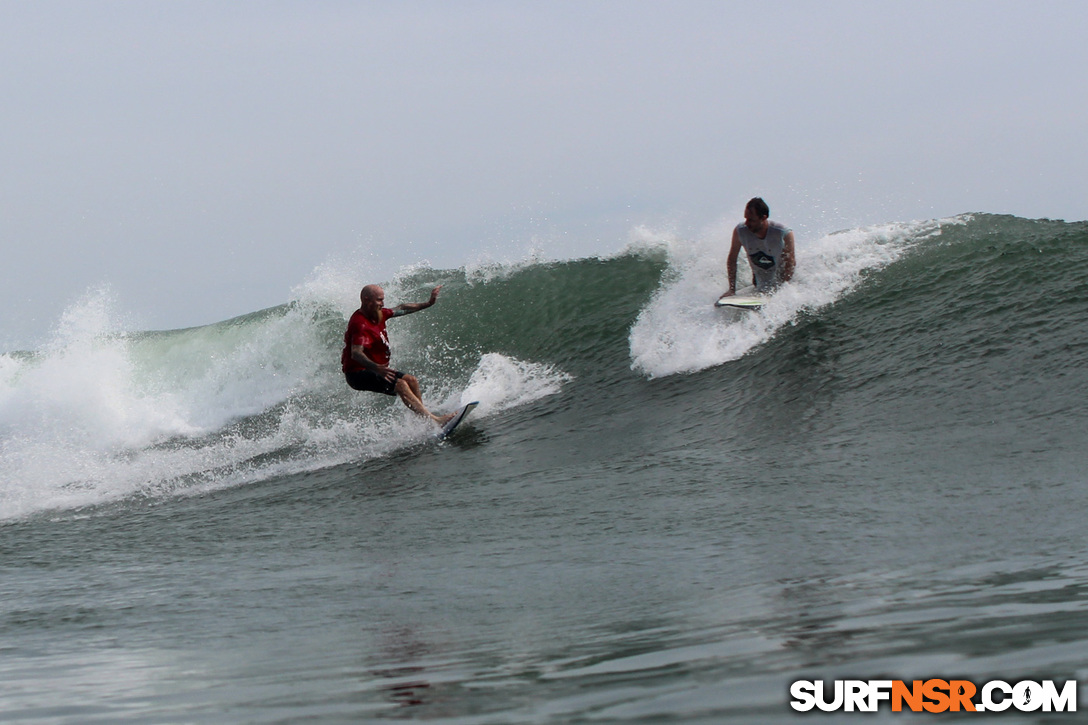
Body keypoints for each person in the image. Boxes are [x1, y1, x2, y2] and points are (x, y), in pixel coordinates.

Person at [342, 284, 454, 425]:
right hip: (358, 374)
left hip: (373, 369)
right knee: (400, 385)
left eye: (382, 300)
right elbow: (356, 353)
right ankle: (435, 421)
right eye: (379, 300)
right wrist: (377, 367)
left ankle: (424, 420)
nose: (382, 303)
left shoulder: (377, 314)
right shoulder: (360, 324)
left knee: (411, 380)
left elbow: (402, 308)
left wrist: (428, 303)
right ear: (366, 299)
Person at [720, 197, 796, 298]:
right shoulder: (740, 231)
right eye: (746, 218)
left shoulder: (783, 233)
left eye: (751, 220)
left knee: (781, 269)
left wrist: (783, 291)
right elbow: (732, 259)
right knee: (759, 282)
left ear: (763, 218)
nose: (747, 223)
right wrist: (732, 289)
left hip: (780, 277)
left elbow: (790, 262)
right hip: (759, 279)